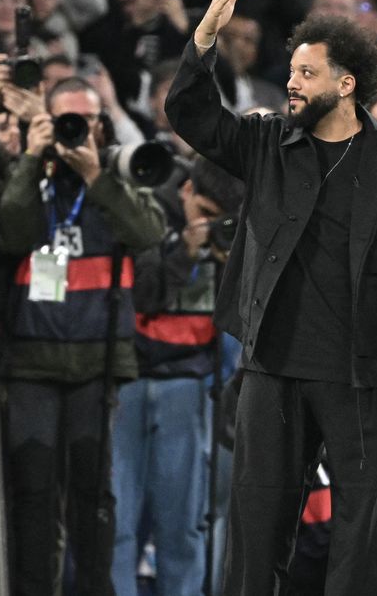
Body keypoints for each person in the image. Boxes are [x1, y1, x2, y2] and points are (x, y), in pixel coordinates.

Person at [165, 0, 377, 594]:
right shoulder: (265, 141)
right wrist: (204, 39)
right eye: (292, 71)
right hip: (273, 360)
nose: (292, 83)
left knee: (366, 527)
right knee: (256, 524)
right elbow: (190, 113)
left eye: (307, 73)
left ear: (346, 85)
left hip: (362, 366)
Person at [0, 76, 165, 596]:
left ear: (100, 123)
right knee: (34, 494)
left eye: (84, 120)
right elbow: (10, 230)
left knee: (94, 495)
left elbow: (149, 235)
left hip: (98, 362)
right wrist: (31, 155)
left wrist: (98, 177)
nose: (75, 129)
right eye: (63, 118)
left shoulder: (118, 177)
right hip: (32, 366)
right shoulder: (29, 176)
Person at [111, 157, 245, 596]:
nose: (209, 224)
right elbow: (145, 296)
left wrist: (230, 259)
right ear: (186, 189)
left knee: (185, 525)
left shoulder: (236, 229)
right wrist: (184, 251)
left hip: (192, 385)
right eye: (204, 212)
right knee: (119, 523)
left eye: (219, 218)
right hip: (128, 380)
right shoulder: (148, 209)